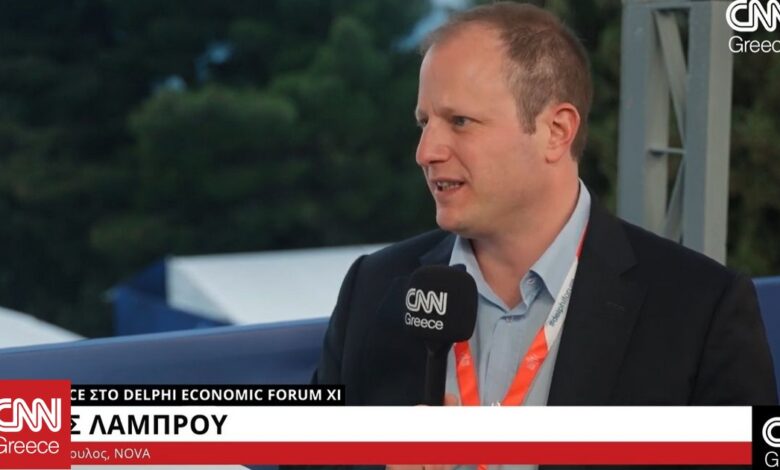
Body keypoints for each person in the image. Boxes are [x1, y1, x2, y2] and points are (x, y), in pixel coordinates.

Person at [315, 0, 776, 417]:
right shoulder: (372, 289)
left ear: (556, 132)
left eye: (460, 121)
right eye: (424, 122)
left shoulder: (699, 309)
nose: (426, 151)